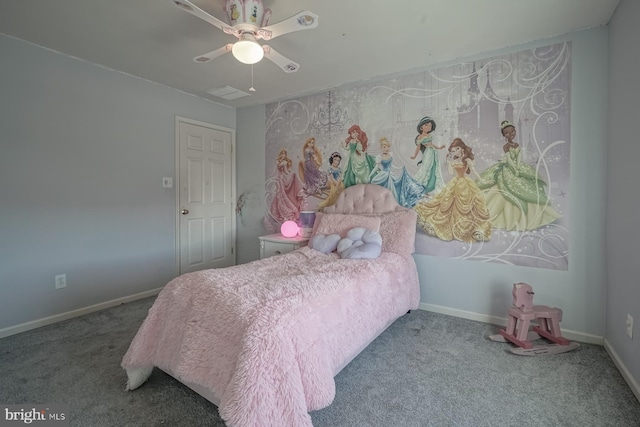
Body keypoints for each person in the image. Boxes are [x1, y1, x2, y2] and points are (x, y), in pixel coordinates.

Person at [475, 120, 561, 231]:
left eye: (512, 131)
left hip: (518, 166)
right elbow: (509, 159)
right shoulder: (506, 146)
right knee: (505, 187)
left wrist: (519, 166)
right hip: (509, 167)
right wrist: (514, 168)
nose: (511, 134)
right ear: (504, 135)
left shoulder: (516, 145)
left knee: (528, 185)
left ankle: (533, 215)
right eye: (507, 133)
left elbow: (519, 156)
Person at [414, 138, 492, 242]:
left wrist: (482, 180)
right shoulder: (454, 161)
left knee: (472, 203)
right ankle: (437, 223)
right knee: (445, 202)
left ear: (462, 148)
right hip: (455, 182)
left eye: (457, 149)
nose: (455, 151)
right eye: (453, 150)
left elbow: (474, 172)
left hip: (466, 183)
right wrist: (448, 162)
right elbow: (451, 172)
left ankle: (474, 229)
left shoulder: (467, 160)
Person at [369, 137, 425, 208]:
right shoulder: (380, 157)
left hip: (390, 174)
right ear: (381, 148)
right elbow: (376, 167)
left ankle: (391, 204)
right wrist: (370, 175)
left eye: (388, 146)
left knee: (395, 187)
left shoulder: (390, 155)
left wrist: (399, 168)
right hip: (384, 175)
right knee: (379, 186)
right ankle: (383, 204)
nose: (386, 148)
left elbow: (391, 165)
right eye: (384, 147)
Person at [411, 116, 446, 195]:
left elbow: (432, 145)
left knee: (433, 169)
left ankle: (429, 188)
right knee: (425, 169)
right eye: (426, 125)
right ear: (421, 127)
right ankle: (422, 187)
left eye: (430, 126)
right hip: (428, 154)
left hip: (433, 153)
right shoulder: (420, 137)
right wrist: (414, 156)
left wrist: (440, 147)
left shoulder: (429, 136)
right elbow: (418, 148)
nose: (428, 127)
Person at [269, 148, 305, 223]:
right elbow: (275, 171)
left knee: (283, 196)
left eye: (284, 154)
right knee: (279, 196)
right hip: (278, 180)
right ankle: (278, 212)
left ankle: (287, 210)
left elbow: (286, 171)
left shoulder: (284, 162)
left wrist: (291, 174)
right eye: (282, 153)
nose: (283, 155)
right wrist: (272, 176)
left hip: (282, 179)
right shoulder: (278, 161)